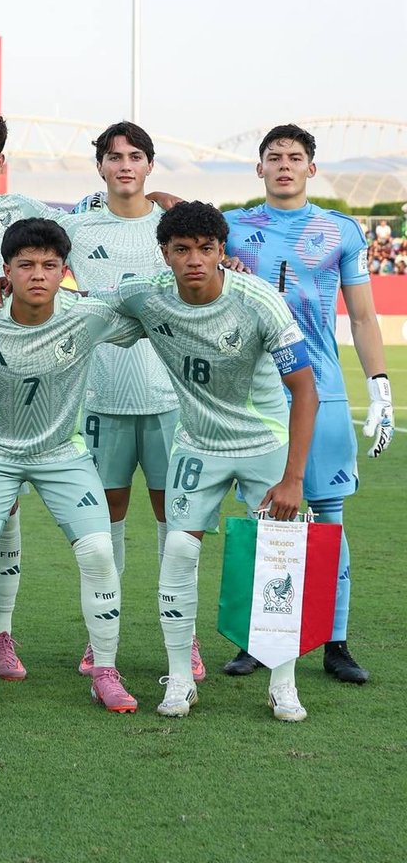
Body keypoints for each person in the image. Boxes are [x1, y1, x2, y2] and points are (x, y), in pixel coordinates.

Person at [96, 201, 318, 722]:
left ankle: (283, 683)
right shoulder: (145, 294)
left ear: (223, 251)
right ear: (165, 254)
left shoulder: (259, 300)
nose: (194, 259)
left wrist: (293, 478)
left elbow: (304, 391)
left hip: (263, 444)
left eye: (205, 248)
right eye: (182, 249)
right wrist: (3, 280)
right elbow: (75, 303)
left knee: (280, 557)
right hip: (197, 443)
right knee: (177, 549)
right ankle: (178, 678)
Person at [0, 218, 143, 714]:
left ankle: (105, 670)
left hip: (62, 455)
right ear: (6, 270)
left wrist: (227, 271)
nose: (38, 274)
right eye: (26, 265)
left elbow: (153, 309)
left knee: (101, 554)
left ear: (65, 271)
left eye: (49, 265)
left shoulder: (88, 315)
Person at [222, 125, 394, 684]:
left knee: (329, 517)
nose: (285, 166)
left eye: (295, 158)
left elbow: (364, 317)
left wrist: (381, 386)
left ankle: (335, 641)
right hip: (254, 393)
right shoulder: (232, 228)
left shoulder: (339, 230)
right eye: (274, 157)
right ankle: (256, 639)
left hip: (321, 388)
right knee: (264, 514)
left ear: (311, 169)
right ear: (260, 168)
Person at [57, 123, 197, 679]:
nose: (124, 166)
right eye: (113, 157)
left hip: (167, 398)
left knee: (175, 524)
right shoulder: (76, 227)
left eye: (134, 156)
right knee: (105, 525)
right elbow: (31, 259)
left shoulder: (171, 228)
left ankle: (181, 643)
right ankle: (101, 637)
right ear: (100, 167)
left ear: (148, 165)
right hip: (100, 398)